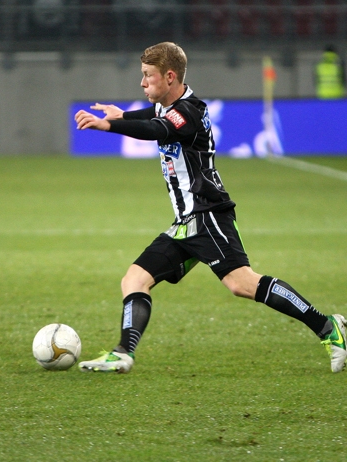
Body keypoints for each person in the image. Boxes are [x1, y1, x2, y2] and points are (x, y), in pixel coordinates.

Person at [74, 42, 347, 374]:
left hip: (208, 214)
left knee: (241, 284)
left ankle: (328, 327)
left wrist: (111, 125)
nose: (142, 83)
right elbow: (153, 116)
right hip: (185, 222)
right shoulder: (169, 106)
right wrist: (123, 114)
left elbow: (157, 128)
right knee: (134, 279)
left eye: (148, 76)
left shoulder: (189, 111)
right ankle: (123, 353)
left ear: (170, 76)